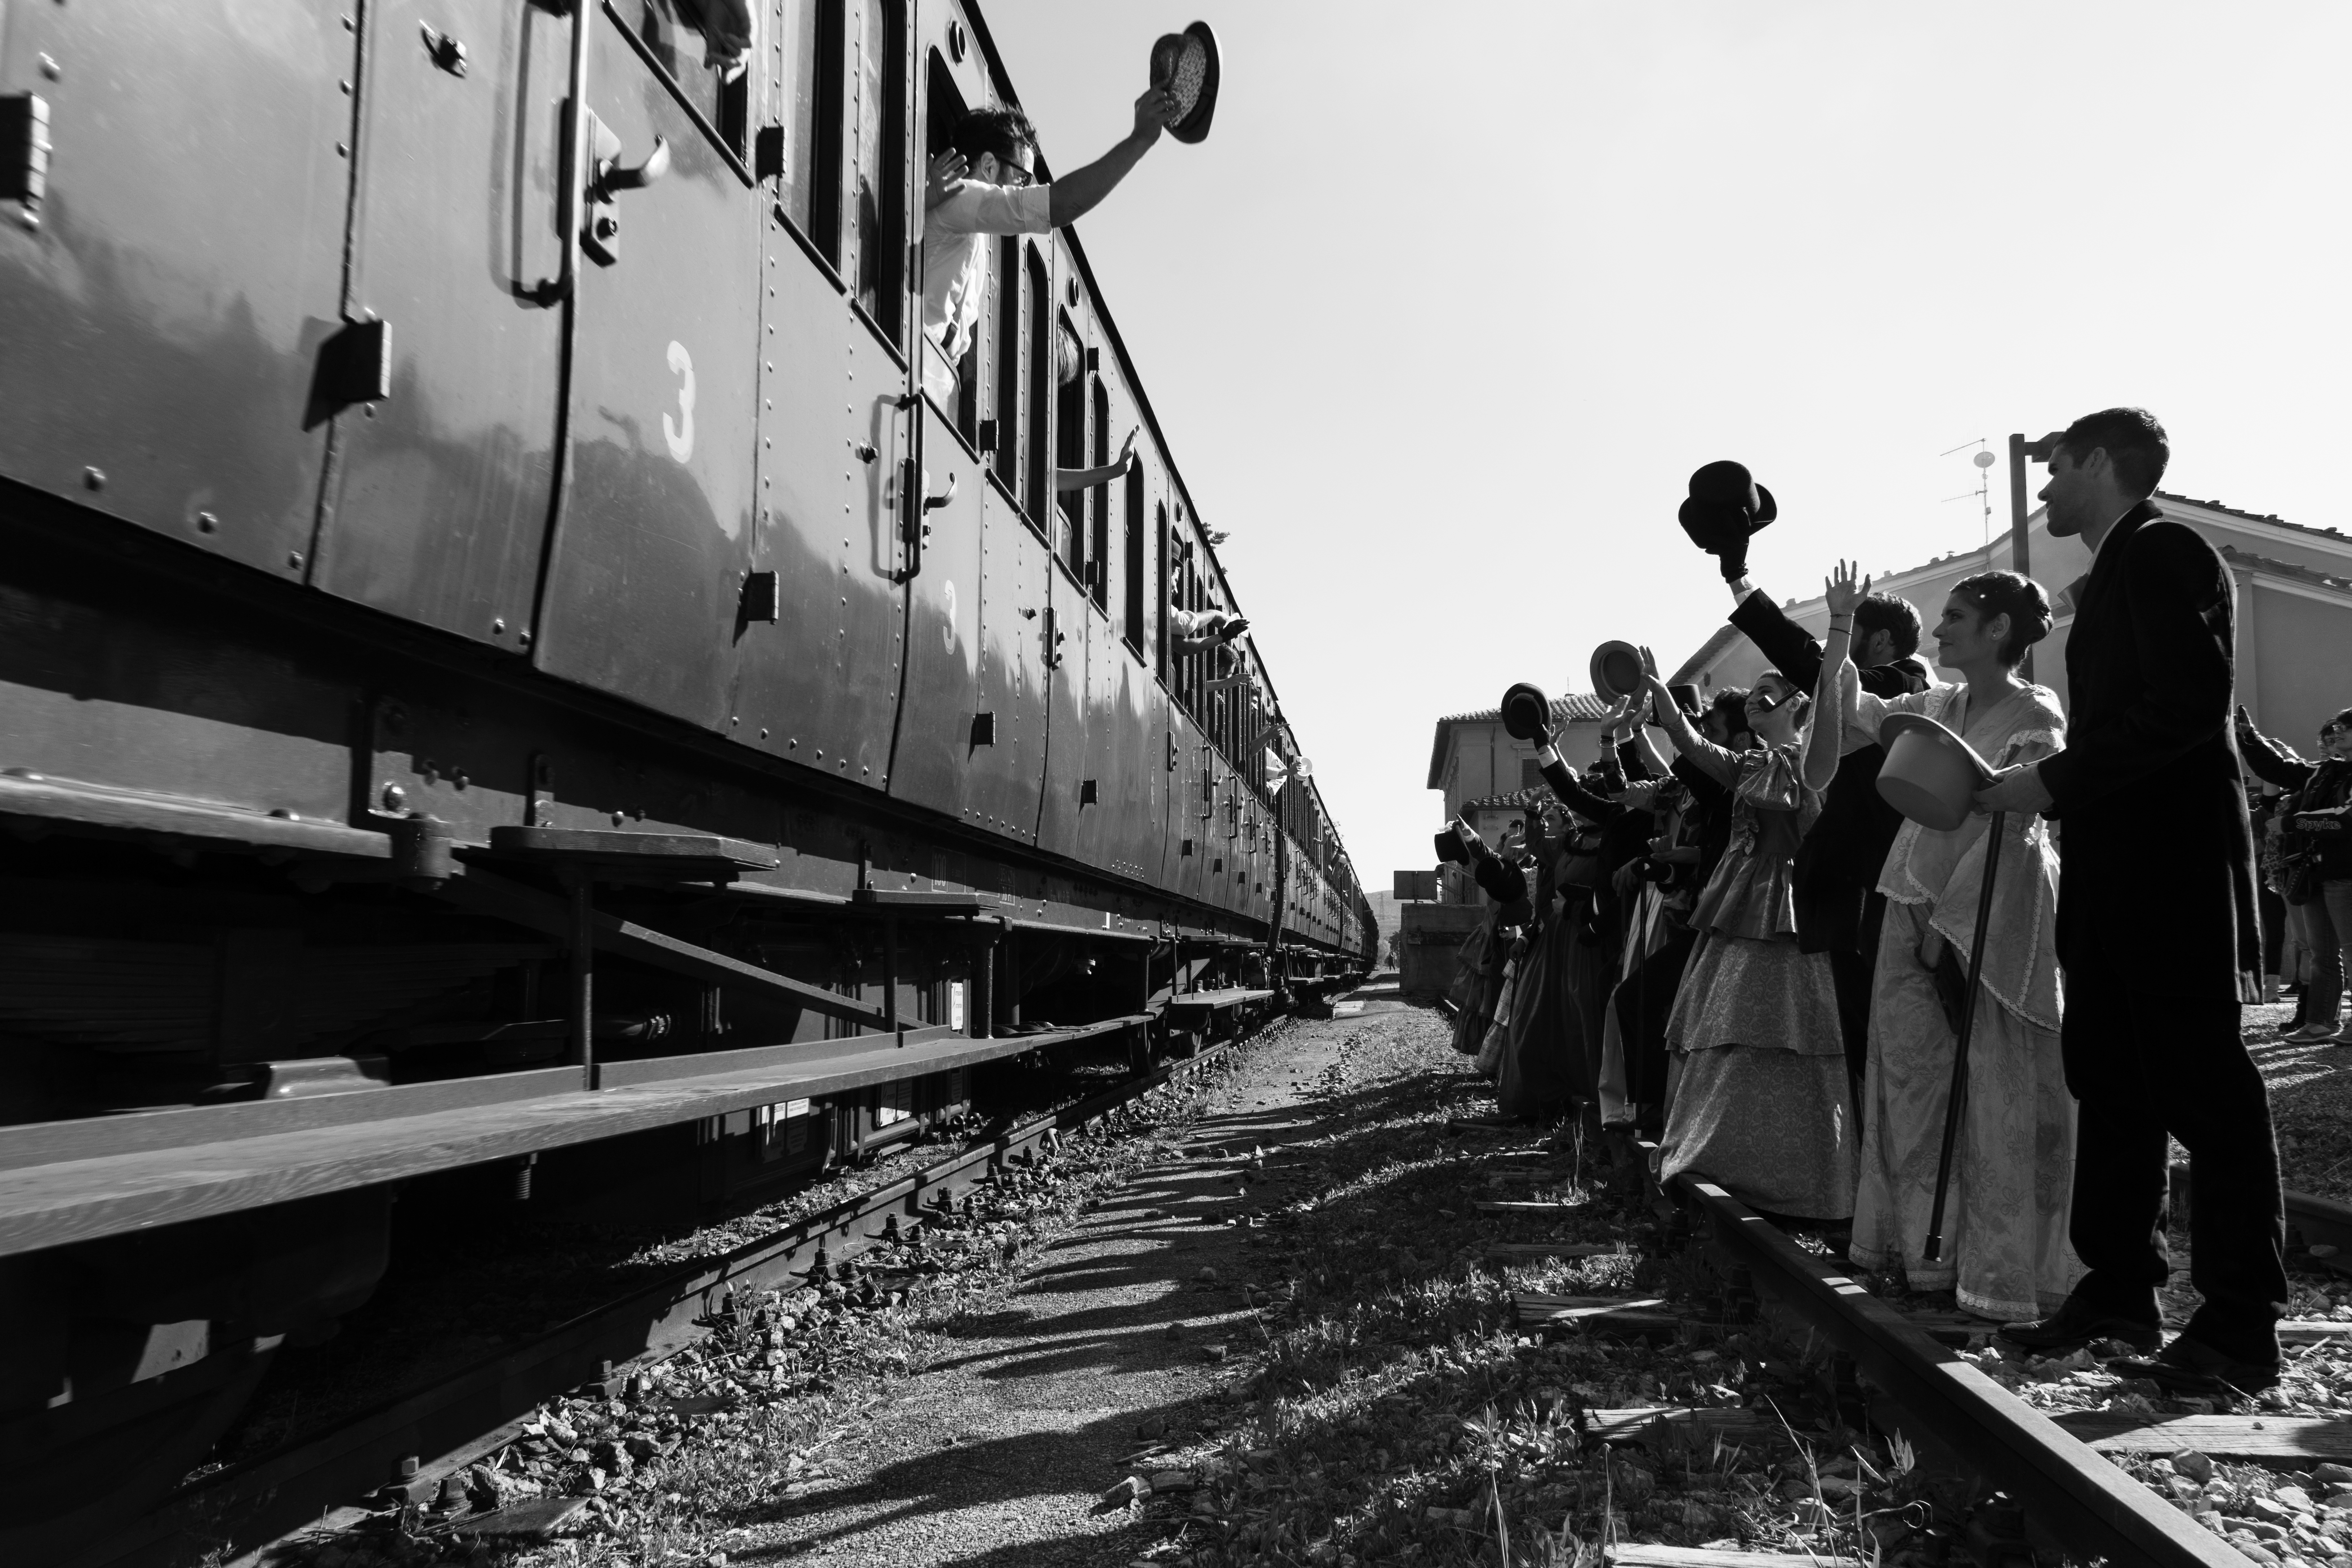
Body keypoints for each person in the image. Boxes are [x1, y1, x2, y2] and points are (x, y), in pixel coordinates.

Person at [1977, 407, 2283, 1396]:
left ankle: (2240, 1322)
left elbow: (2190, 706)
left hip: (2172, 867)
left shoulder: (2165, 552)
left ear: (2102, 463)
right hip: (2116, 865)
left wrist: (2056, 782)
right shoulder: (2117, 570)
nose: (2045, 489)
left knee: (2205, 1087)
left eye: (2057, 470)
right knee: (2110, 1077)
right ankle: (2118, 1284)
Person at [1812, 561, 2078, 1320]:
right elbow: (1849, 709)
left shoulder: (2037, 712)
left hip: (1990, 911)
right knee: (1909, 1077)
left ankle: (1993, 1269)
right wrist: (1838, 625)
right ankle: (1920, 1253)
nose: (1937, 630)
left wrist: (1945, 934)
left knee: (1991, 1081)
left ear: (1997, 630)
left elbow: (2018, 821)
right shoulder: (1940, 700)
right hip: (1910, 896)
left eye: (1955, 617)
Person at [1644, 655, 1856, 1220]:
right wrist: (1665, 704)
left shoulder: (1813, 763)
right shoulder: (1748, 763)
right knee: (1721, 1026)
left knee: (1788, 1028)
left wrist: (1836, 639)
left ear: (1797, 706)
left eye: (1768, 694)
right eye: (1753, 695)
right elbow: (1693, 749)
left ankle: (1792, 1169)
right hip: (1738, 899)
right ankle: (1721, 1152)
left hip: (1787, 905)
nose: (1755, 703)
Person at [1715, 560, 1930, 1104]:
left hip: (1875, 887)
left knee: (1880, 1037)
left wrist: (1742, 579)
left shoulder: (1903, 682)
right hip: (1855, 885)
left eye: (1851, 631)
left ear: (1879, 640)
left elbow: (1817, 667)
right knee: (1866, 1037)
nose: (1839, 641)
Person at [919, 95, 1180, 405]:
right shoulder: (960, 195)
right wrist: (1139, 141)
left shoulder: (970, 227)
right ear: (989, 165)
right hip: (925, 370)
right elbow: (1061, 205)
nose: (1026, 190)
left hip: (935, 379)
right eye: (1023, 178)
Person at [2237, 707, 2352, 1042]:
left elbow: (2345, 821)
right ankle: (2321, 1022)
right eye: (2336, 726)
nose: (2337, 731)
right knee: (2323, 955)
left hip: (2346, 875)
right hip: (2315, 872)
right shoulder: (2327, 770)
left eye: (2346, 727)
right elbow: (2280, 770)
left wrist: (2292, 823)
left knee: (2350, 949)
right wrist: (2249, 738)